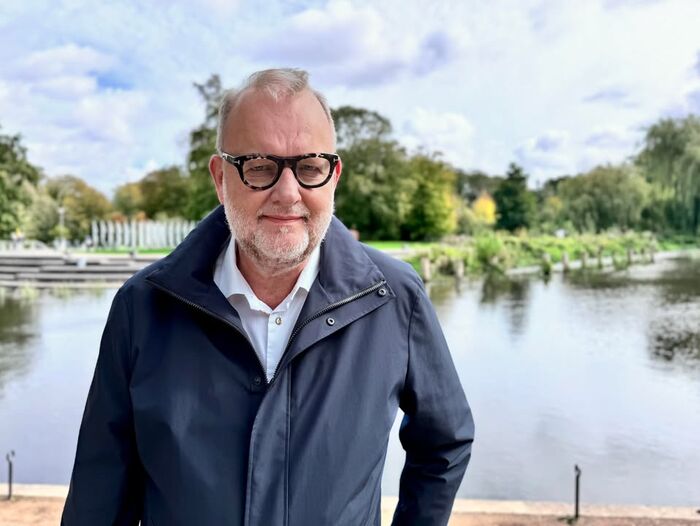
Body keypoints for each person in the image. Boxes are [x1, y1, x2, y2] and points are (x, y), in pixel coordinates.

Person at [62, 68, 474, 526]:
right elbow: (100, 489)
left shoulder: (395, 299)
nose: (288, 193)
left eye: (310, 167)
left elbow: (444, 442)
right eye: (259, 166)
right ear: (220, 178)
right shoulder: (141, 308)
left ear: (333, 176)